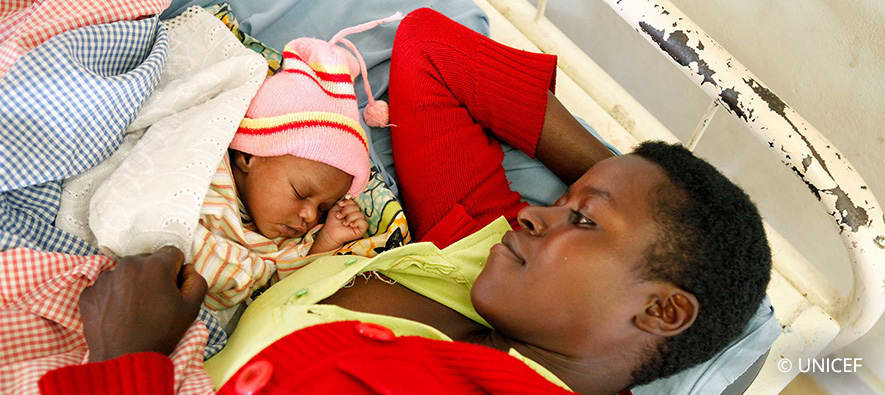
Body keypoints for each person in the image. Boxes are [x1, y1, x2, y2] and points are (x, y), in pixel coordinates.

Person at [39, 8, 771, 395]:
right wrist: (635, 189)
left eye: (578, 219)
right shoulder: (485, 257)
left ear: (662, 310)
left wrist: (126, 359)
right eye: (565, 203)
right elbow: (430, 49)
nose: (531, 210)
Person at [190, 27, 390, 310]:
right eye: (300, 193)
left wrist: (326, 240)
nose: (310, 215)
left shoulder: (284, 244)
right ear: (248, 156)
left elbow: (281, 294)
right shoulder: (201, 167)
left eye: (324, 208)